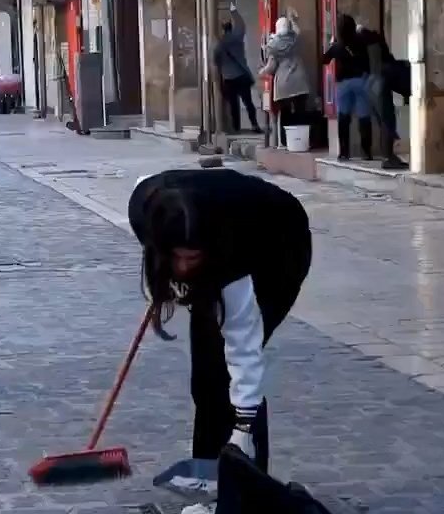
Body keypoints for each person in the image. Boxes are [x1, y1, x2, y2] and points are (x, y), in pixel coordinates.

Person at [127, 168, 312, 474]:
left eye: (193, 259)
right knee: (204, 375)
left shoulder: (230, 260)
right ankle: (207, 473)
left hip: (278, 244)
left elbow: (243, 347)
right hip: (226, 228)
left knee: (222, 367)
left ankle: (247, 478)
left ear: (207, 252)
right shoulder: (145, 209)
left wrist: (243, 426)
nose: (184, 266)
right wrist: (163, 281)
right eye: (177, 257)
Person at [257, 13, 316, 148]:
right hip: (300, 80)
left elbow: (271, 68)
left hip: (284, 83)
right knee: (301, 112)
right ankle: (303, 142)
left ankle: (287, 142)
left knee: (286, 113)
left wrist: (261, 72)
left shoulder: (273, 46)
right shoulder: (295, 39)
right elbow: (297, 31)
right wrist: (293, 20)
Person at [355, 24, 409, 170]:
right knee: (387, 121)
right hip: (379, 83)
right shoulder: (374, 44)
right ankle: (388, 158)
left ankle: (388, 156)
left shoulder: (362, 48)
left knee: (383, 122)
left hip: (370, 83)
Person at [321, 14, 373, 161]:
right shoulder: (361, 41)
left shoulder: (337, 46)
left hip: (343, 84)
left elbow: (324, 60)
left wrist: (330, 42)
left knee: (344, 117)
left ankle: (344, 152)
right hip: (361, 81)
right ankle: (366, 152)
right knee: (364, 117)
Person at [213, 3, 261, 135]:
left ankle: (235, 128)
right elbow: (241, 25)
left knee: (233, 105)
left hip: (228, 79)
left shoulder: (219, 45)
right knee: (248, 103)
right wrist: (233, 11)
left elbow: (216, 63)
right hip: (241, 76)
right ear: (231, 27)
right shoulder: (237, 38)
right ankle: (255, 124)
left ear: (222, 29)